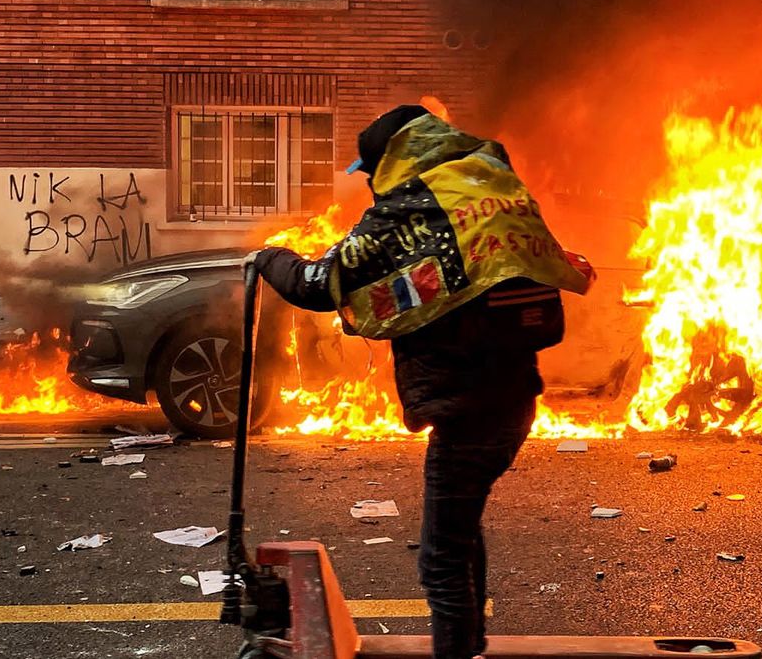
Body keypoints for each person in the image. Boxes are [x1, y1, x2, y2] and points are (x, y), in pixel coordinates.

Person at [247, 105, 592, 659]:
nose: (370, 184)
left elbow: (318, 283)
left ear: (391, 158)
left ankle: (458, 651)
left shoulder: (411, 206)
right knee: (460, 528)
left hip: (466, 403)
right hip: (513, 396)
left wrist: (270, 259)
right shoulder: (489, 186)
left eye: (371, 170)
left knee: (440, 560)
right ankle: (471, 642)